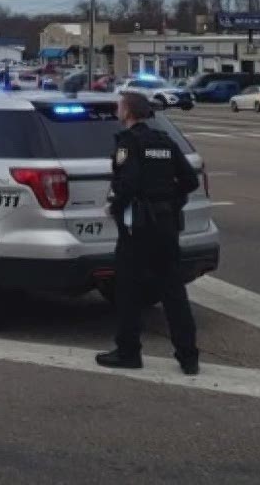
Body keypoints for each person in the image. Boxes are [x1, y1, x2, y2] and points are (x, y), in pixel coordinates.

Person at [96, 91, 202, 375]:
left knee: (128, 289)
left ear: (128, 112)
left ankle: (128, 351)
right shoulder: (165, 141)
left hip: (138, 227)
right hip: (166, 224)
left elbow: (127, 183)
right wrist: (168, 200)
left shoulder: (128, 142)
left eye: (120, 106)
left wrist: (114, 207)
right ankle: (189, 357)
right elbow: (190, 180)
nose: (118, 111)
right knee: (173, 290)